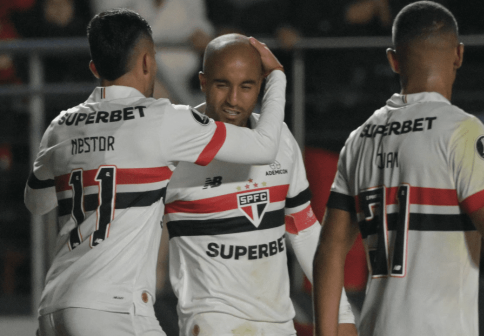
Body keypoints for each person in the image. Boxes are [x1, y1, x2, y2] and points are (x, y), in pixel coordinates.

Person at [312, 2, 484, 336]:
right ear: (459, 55)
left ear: (393, 60)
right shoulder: (461, 130)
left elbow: (328, 250)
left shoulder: (360, 138)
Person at [24, 9, 287, 336]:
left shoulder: (60, 125)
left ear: (95, 68)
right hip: (113, 307)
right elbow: (263, 146)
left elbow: (36, 203)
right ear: (148, 62)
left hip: (52, 308)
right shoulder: (163, 119)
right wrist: (276, 77)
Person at [163, 34, 356, 336]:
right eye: (222, 84)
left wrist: (342, 313)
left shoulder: (280, 138)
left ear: (261, 86)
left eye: (247, 86)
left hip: (278, 323)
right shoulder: (172, 146)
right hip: (213, 323)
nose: (233, 100)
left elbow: (302, 229)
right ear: (202, 82)